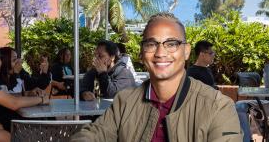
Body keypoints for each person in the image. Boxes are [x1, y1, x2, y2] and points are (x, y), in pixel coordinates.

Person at [71, 12, 242, 141]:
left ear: (187, 51)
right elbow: (94, 134)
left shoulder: (218, 107)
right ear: (141, 53)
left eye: (171, 44)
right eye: (151, 44)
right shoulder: (125, 102)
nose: (160, 53)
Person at [0, 47, 51, 130]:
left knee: (49, 118)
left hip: (19, 114)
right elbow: (11, 98)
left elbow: (38, 84)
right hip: (2, 117)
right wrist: (15, 75)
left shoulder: (20, 72)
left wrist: (44, 73)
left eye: (17, 59)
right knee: (37, 123)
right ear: (4, 62)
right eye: (14, 60)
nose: (18, 63)